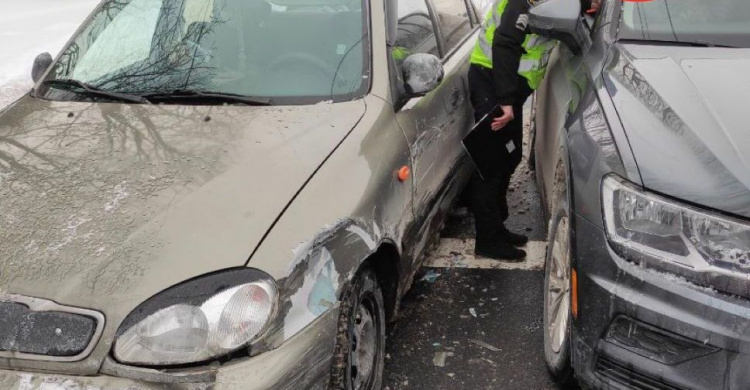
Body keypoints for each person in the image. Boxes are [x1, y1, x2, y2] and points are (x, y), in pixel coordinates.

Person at [468, 0, 600, 261]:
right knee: (490, 166)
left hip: (507, 86)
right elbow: (505, 41)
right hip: (491, 81)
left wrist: (587, 4)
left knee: (509, 157)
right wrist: (505, 100)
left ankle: (496, 226)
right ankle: (487, 240)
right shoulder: (524, 1)